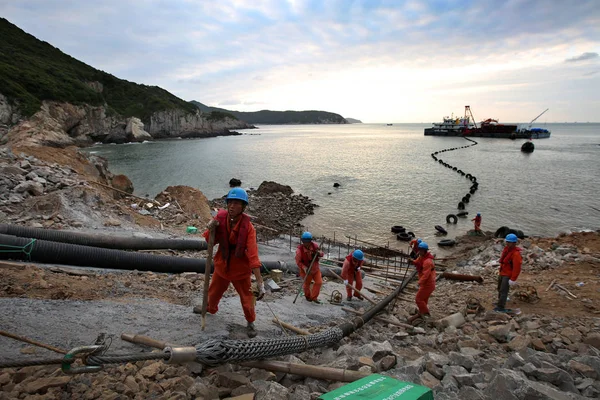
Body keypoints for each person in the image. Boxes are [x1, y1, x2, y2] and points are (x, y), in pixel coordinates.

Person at [200, 187, 265, 338]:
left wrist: (260, 282)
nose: (232, 206)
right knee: (213, 292)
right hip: (222, 266)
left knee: (247, 299)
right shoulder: (220, 220)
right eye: (230, 202)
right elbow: (208, 239)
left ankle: (250, 322)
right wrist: (211, 228)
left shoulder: (248, 228)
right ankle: (209, 308)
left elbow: (253, 256)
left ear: (243, 207)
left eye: (237, 203)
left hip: (240, 271)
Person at [408, 241, 436, 323]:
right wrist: (412, 261)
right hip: (427, 283)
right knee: (424, 300)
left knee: (418, 299)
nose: (419, 251)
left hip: (428, 284)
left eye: (421, 250)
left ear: (425, 251)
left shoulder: (428, 262)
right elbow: (417, 261)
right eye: (419, 250)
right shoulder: (422, 257)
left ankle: (426, 314)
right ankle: (422, 312)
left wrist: (418, 283)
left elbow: (426, 275)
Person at [495, 233, 522, 312]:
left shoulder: (516, 254)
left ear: (514, 243)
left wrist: (513, 279)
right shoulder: (506, 249)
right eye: (507, 242)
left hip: (507, 274)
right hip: (502, 272)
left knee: (504, 290)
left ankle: (501, 307)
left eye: (509, 242)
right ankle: (499, 302)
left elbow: (517, 268)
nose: (507, 243)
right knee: (499, 289)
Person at [295, 231, 324, 304]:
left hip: (315, 268)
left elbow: (322, 253)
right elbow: (298, 262)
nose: (307, 243)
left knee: (319, 282)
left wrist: (319, 253)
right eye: (305, 242)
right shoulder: (299, 251)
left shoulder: (315, 246)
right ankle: (308, 296)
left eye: (308, 242)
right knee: (306, 284)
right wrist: (304, 267)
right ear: (303, 241)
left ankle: (314, 297)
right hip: (306, 270)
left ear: (310, 241)